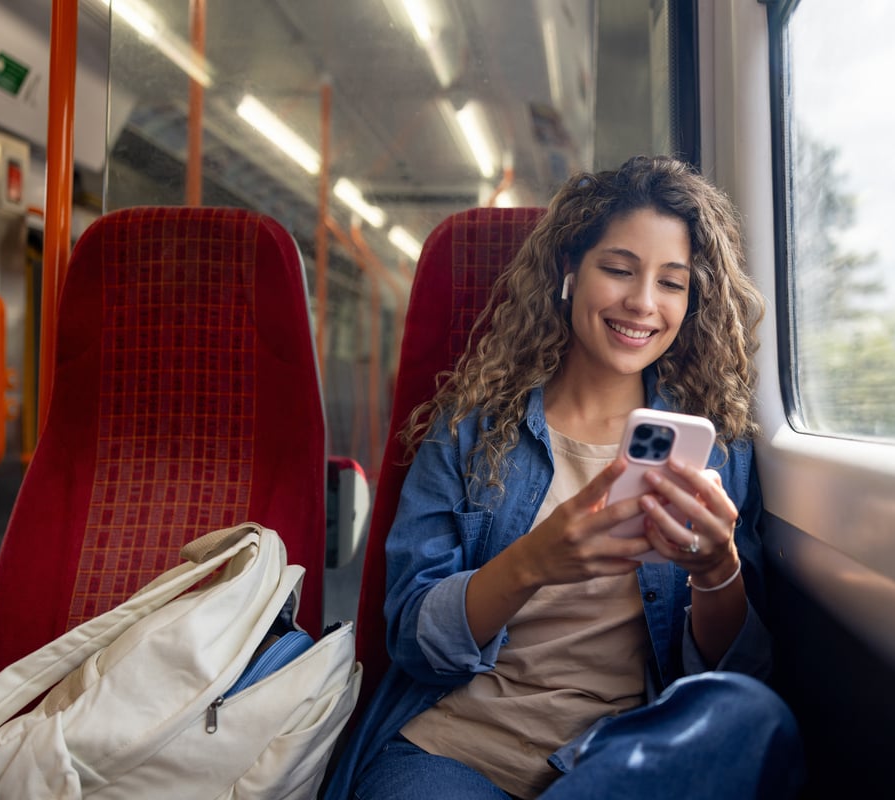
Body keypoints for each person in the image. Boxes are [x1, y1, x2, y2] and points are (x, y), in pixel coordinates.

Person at [328, 155, 804, 799]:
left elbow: (731, 669)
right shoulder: (470, 429)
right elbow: (414, 638)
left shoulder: (717, 449)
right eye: (618, 270)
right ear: (570, 271)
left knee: (751, 714)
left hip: (615, 756)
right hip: (457, 750)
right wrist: (535, 561)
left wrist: (717, 569)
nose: (642, 303)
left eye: (672, 283)